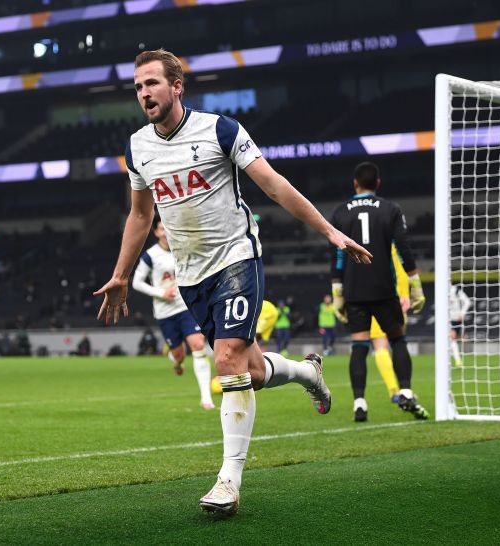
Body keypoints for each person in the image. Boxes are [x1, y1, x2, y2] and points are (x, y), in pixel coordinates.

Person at [94, 48, 371, 516]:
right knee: (252, 370)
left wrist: (329, 230)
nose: (144, 93)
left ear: (176, 86)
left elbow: (274, 184)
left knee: (226, 360)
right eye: (138, 86)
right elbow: (141, 215)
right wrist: (121, 274)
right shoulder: (137, 147)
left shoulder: (220, 130)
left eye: (152, 83)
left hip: (237, 258)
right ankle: (307, 373)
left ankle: (228, 481)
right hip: (190, 273)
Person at [331, 161, 428, 422]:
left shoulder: (340, 212)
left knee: (360, 345)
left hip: (354, 289)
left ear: (355, 184)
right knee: (397, 339)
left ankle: (359, 403)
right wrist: (415, 283)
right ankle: (406, 390)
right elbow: (402, 246)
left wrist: (337, 289)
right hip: (384, 288)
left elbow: (338, 254)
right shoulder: (391, 209)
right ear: (378, 184)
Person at [133, 217, 215, 410]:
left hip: (186, 307)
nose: (165, 232)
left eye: (166, 228)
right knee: (178, 354)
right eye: (161, 229)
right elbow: (137, 282)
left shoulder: (184, 248)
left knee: (197, 345)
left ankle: (206, 399)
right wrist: (161, 292)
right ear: (156, 232)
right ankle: (177, 361)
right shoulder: (150, 256)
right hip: (164, 313)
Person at [367, 242, 410, 403]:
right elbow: (401, 270)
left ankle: (394, 390)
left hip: (369, 299)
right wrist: (405, 294)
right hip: (394, 298)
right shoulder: (390, 243)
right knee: (398, 341)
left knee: (380, 346)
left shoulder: (358, 238)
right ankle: (405, 390)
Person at [449, 284, 472, 367]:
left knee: (458, 338)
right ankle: (458, 361)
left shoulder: (456, 290)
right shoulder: (440, 291)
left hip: (456, 318)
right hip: (447, 319)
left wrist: (462, 313)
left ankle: (458, 359)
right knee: (451, 338)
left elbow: (467, 301)